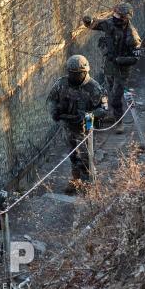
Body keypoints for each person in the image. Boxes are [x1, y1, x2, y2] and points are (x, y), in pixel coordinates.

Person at [47, 55, 105, 194]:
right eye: (71, 73)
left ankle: (88, 185)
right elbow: (51, 99)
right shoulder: (62, 84)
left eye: (77, 74)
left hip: (86, 127)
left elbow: (103, 109)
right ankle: (76, 180)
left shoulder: (94, 88)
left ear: (84, 72)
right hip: (68, 125)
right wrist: (54, 111)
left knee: (86, 156)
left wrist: (87, 115)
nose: (73, 77)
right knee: (73, 154)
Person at [82, 3, 141, 134]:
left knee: (116, 96)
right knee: (109, 90)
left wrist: (119, 60)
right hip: (109, 65)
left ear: (125, 18)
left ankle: (119, 122)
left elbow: (136, 58)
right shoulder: (110, 23)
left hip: (121, 69)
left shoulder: (132, 35)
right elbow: (95, 25)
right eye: (114, 13)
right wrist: (88, 21)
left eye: (118, 15)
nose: (114, 17)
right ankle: (112, 115)